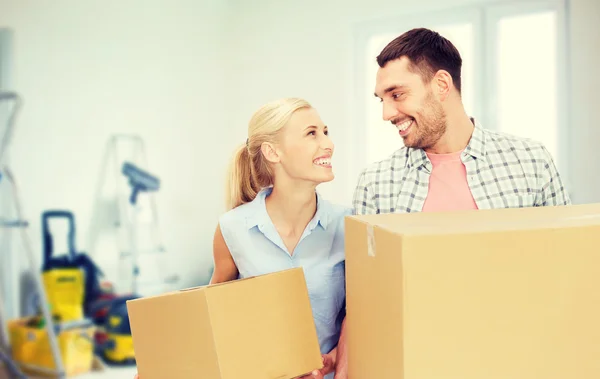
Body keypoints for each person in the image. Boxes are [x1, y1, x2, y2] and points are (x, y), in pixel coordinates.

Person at [134, 98, 349, 379]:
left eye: (325, 131)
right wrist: (164, 365)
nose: (328, 143)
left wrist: (334, 360)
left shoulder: (349, 224)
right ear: (273, 152)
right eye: (312, 133)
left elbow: (360, 313)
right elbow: (211, 320)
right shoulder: (232, 228)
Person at [353, 27, 571, 215]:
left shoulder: (531, 162)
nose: (386, 114)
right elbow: (368, 264)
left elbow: (566, 251)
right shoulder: (375, 184)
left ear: (441, 85)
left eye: (397, 95)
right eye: (382, 99)